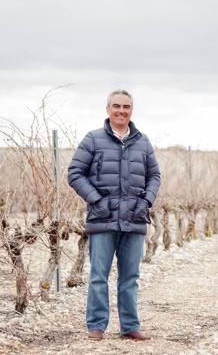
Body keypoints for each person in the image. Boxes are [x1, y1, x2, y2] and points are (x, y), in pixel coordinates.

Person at [68, 89, 160, 341]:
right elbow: (75, 172)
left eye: (126, 107)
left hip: (135, 218)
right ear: (108, 109)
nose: (122, 111)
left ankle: (130, 325)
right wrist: (96, 200)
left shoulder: (142, 141)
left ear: (132, 110)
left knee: (130, 276)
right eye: (116, 106)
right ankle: (96, 325)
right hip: (102, 219)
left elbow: (154, 176)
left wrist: (146, 201)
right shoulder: (93, 139)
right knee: (99, 275)